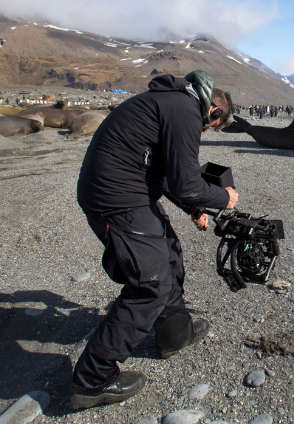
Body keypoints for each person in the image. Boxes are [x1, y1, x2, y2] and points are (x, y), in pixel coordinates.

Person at [70, 70, 238, 410]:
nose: (206, 132)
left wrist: (192, 208)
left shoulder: (170, 102)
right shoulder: (185, 110)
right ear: (214, 113)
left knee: (169, 253)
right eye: (212, 127)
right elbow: (185, 182)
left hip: (126, 191)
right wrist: (224, 198)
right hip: (117, 199)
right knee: (150, 284)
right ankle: (92, 380)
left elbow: (160, 172)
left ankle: (173, 332)